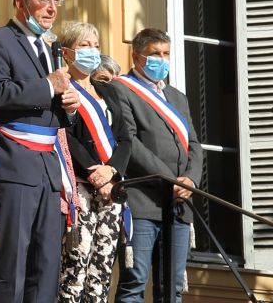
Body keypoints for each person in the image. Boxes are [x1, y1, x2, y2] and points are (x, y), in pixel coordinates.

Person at [0, 0, 81, 302]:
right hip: (15, 162)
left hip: (48, 167)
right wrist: (50, 85)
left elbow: (55, 112)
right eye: (43, 0)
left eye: (56, 1)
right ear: (21, 3)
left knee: (47, 264)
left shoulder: (50, 48)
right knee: (13, 264)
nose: (52, 8)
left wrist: (71, 106)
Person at [112, 28, 202, 302]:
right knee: (134, 282)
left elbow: (194, 144)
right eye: (154, 54)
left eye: (166, 54)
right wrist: (170, 180)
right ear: (136, 57)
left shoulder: (176, 96)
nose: (161, 60)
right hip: (142, 201)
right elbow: (129, 141)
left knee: (172, 286)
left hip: (178, 205)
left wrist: (191, 180)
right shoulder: (121, 88)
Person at [57, 22, 131, 302]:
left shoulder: (109, 90)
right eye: (84, 46)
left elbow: (125, 137)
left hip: (111, 189)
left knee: (101, 271)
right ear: (66, 53)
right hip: (81, 188)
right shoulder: (61, 90)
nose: (92, 51)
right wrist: (94, 171)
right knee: (76, 268)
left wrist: (112, 171)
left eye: (95, 45)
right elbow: (64, 135)